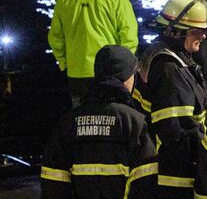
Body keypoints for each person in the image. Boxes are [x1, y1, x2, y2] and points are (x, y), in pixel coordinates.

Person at [41, 45, 157, 199]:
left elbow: (53, 181)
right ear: (125, 78)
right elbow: (145, 180)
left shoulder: (68, 122)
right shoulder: (135, 122)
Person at [138, 0, 207, 198]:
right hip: (176, 174)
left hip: (172, 168)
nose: (204, 36)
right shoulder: (170, 70)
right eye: (196, 31)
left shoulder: (167, 56)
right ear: (176, 32)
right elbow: (179, 131)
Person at [48, 0, 138, 108]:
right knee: (112, 116)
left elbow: (55, 37)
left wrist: (65, 62)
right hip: (110, 72)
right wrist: (123, 69)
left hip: (77, 72)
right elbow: (129, 37)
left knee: (81, 117)